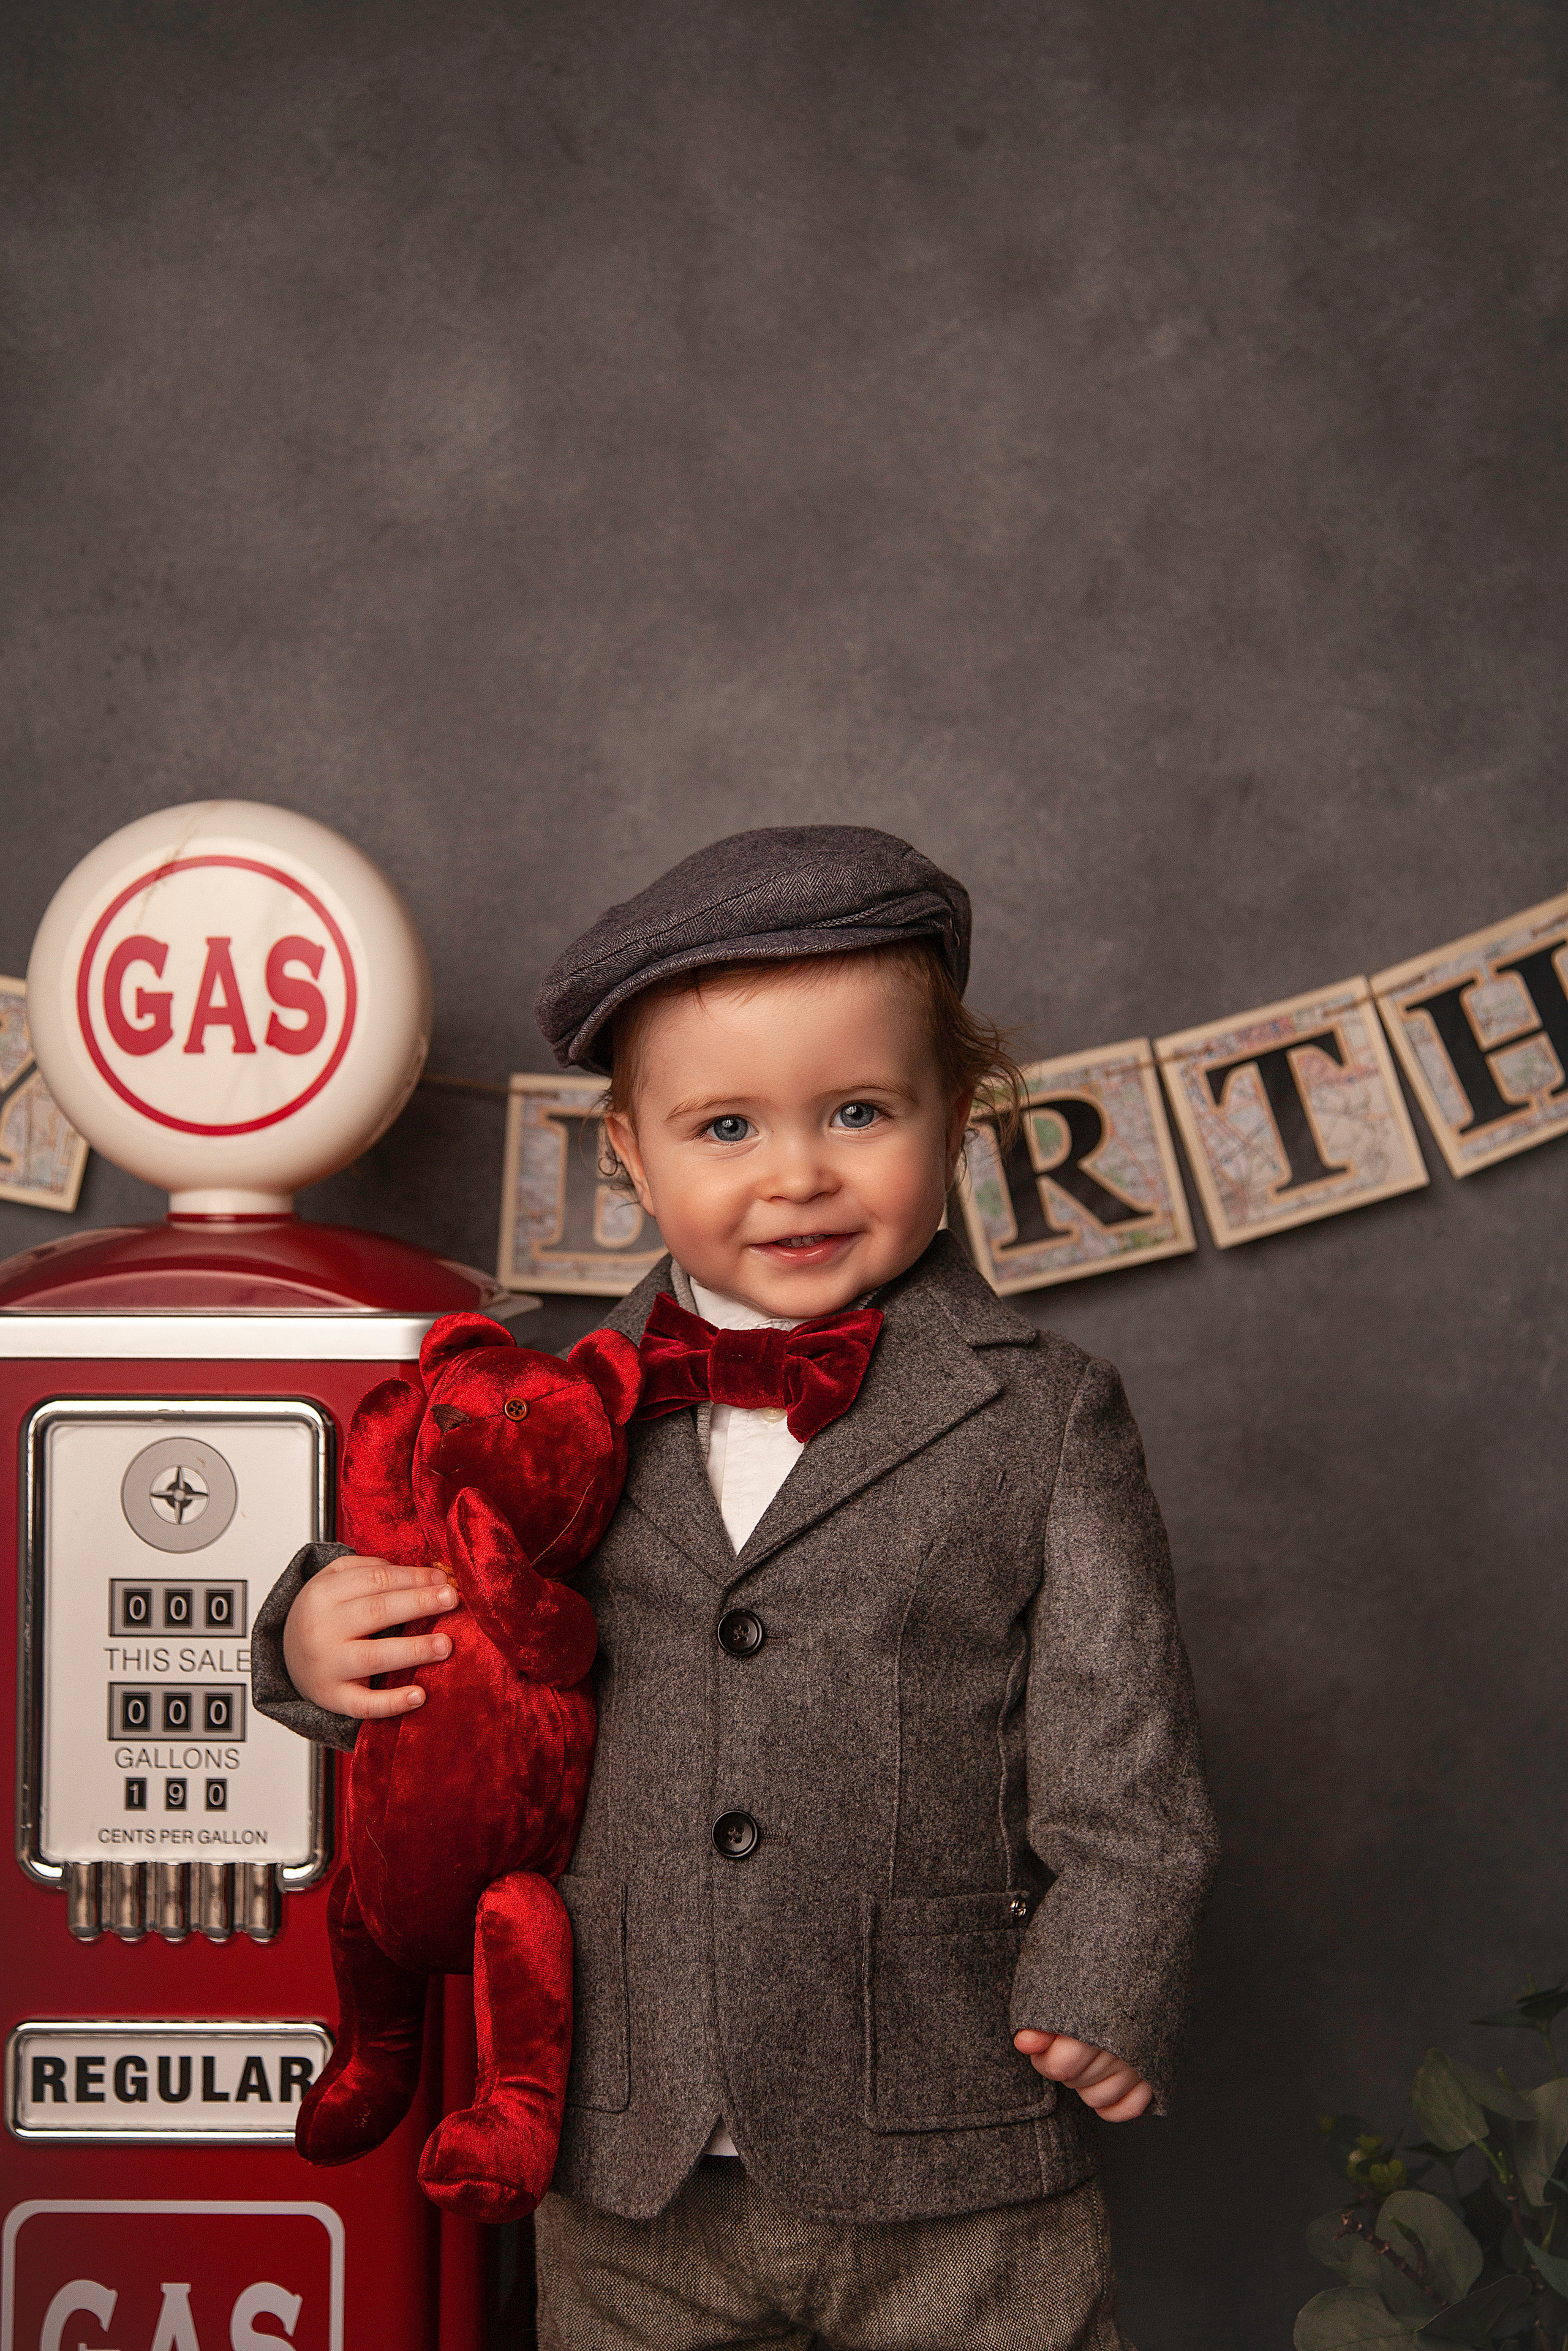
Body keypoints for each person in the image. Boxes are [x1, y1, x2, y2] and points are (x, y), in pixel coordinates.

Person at [251, 825, 1218, 2351]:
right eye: (723, 1128)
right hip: (624, 2130)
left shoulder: (1041, 1413)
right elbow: (429, 1611)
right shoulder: (542, 1407)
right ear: (626, 1152)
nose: (796, 1174)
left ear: (953, 1118)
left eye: (856, 1110)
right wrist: (307, 1638)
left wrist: (1110, 1963)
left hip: (944, 2120)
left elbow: (1128, 1756)